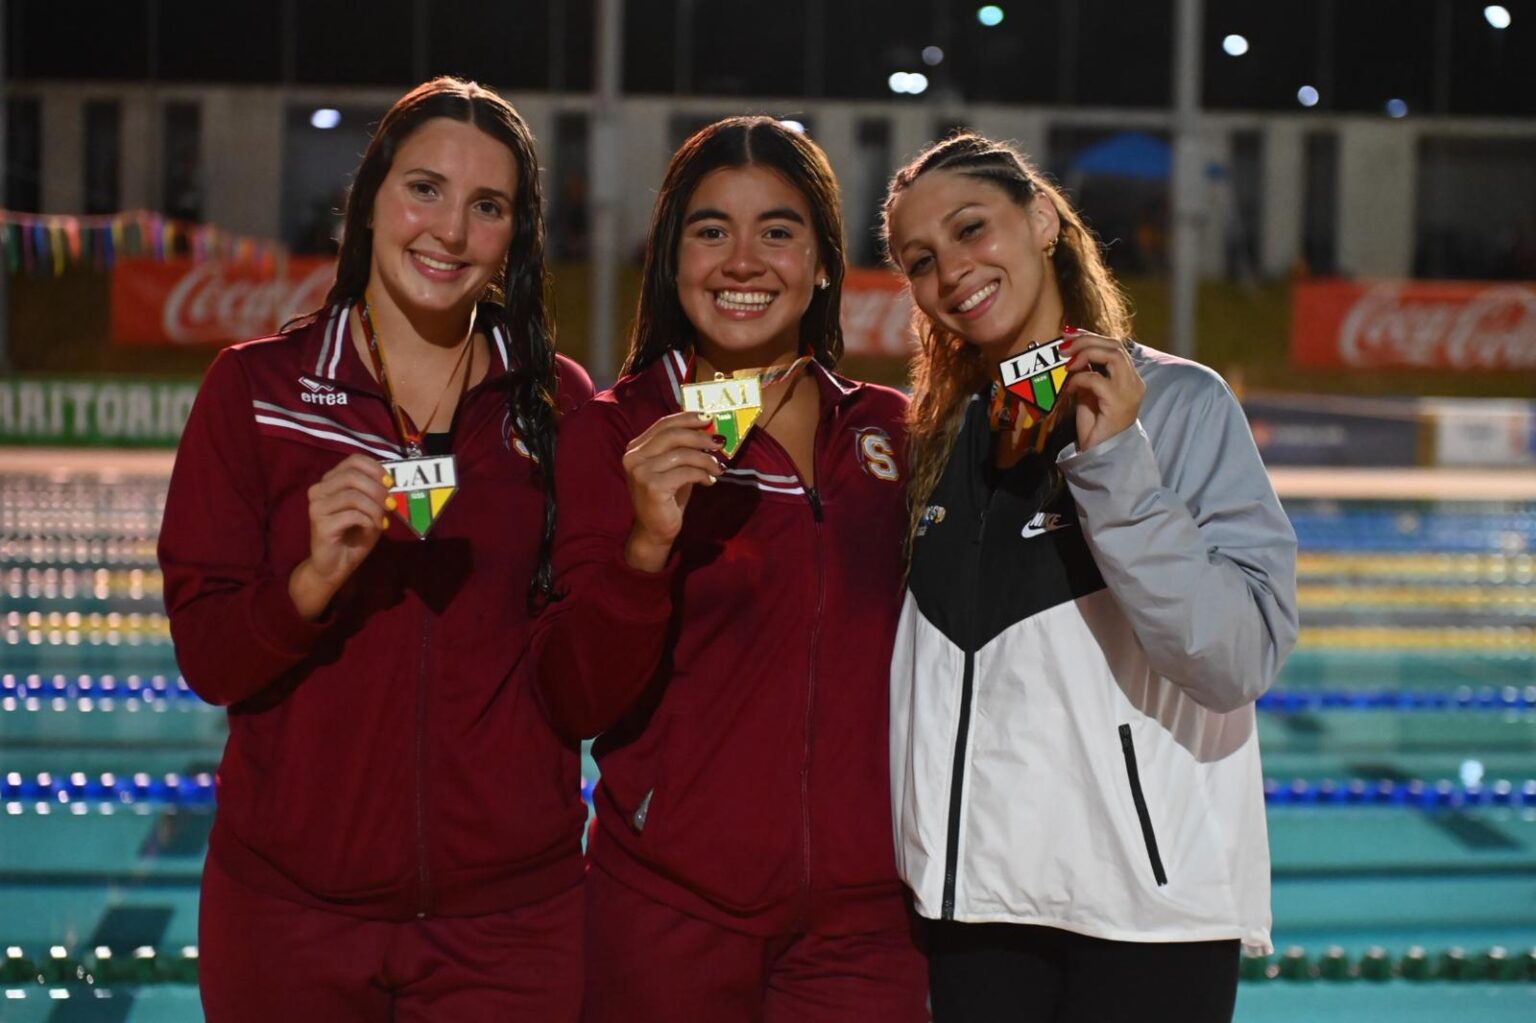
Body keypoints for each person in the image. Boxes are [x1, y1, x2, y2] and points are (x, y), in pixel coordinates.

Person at [158, 77, 592, 1021]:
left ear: (514, 235)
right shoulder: (256, 392)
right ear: (369, 203)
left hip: (509, 925)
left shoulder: (553, 402)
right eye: (424, 189)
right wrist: (309, 581)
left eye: (488, 206)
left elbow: (581, 660)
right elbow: (209, 658)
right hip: (290, 918)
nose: (449, 230)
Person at [882, 133, 1298, 1022]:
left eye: (971, 228)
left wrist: (1113, 466)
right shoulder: (942, 440)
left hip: (1145, 915)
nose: (952, 269)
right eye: (922, 259)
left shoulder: (1181, 406)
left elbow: (1237, 657)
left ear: (1040, 220)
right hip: (978, 912)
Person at [533, 117, 927, 1022]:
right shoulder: (614, 430)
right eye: (711, 231)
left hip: (866, 930)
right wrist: (644, 550)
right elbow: (571, 698)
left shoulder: (893, 432)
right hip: (666, 913)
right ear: (671, 257)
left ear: (825, 262)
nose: (742, 261)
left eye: (778, 231)